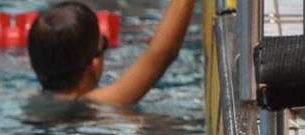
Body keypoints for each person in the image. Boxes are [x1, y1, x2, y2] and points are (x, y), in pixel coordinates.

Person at [27, 0, 196, 106]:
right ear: (93, 64)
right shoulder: (98, 104)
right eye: (104, 45)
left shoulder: (32, 102)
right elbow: (163, 53)